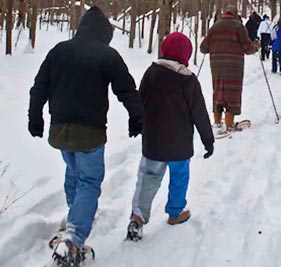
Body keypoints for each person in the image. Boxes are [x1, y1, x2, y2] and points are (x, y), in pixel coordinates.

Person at [28, 6, 142, 266]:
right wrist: (137, 116)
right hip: (89, 132)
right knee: (89, 182)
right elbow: (126, 89)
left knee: (74, 172)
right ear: (104, 33)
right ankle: (74, 238)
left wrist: (35, 117)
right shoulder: (107, 55)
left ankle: (74, 216)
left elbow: (39, 88)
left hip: (60, 131)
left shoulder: (59, 51)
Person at [126, 32, 214, 242]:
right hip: (179, 144)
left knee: (148, 177)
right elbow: (199, 113)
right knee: (179, 177)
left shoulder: (151, 73)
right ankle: (175, 213)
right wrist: (207, 139)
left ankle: (137, 217)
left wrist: (137, 122)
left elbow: (141, 102)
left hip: (154, 140)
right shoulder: (188, 80)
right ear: (185, 53)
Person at [200, 4, 259, 131]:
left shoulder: (215, 26)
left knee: (218, 89)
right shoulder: (239, 26)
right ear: (235, 14)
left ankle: (217, 121)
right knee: (232, 92)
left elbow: (203, 48)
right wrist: (256, 47)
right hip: (234, 65)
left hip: (216, 65)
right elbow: (247, 48)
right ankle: (229, 123)